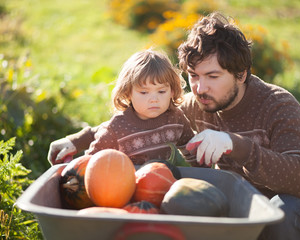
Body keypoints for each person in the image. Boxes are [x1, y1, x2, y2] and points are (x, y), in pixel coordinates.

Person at [48, 12, 300, 239]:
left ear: (241, 74)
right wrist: (77, 140)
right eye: (193, 75)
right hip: (250, 208)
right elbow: (140, 119)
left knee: (285, 209)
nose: (200, 87)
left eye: (213, 76)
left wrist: (236, 146)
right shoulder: (200, 103)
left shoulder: (278, 106)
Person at [50, 49, 195, 165]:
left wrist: (205, 173)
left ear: (172, 91)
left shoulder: (176, 118)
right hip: (124, 187)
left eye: (161, 91)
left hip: (161, 184)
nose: (154, 99)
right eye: (144, 92)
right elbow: (91, 164)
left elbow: (191, 149)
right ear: (128, 93)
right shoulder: (118, 127)